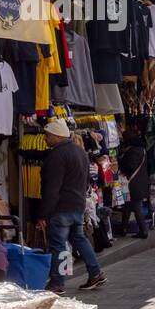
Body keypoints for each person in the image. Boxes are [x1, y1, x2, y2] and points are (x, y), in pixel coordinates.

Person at [39, 119, 105, 293]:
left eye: (47, 135)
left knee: (58, 245)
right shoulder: (80, 152)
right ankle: (95, 273)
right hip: (77, 204)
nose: (45, 139)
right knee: (79, 239)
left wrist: (43, 213)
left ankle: (57, 283)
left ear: (56, 135)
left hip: (61, 207)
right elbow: (85, 181)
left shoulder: (56, 155)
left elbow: (52, 187)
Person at [115, 130, 150, 239]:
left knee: (136, 207)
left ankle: (144, 231)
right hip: (141, 182)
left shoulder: (132, 152)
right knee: (128, 206)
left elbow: (130, 167)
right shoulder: (142, 150)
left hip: (133, 184)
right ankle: (123, 229)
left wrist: (120, 163)